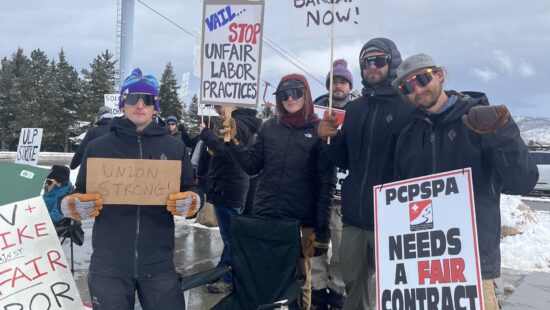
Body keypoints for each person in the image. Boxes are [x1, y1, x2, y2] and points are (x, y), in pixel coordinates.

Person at [391, 54, 539, 310]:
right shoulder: (408, 135)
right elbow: (398, 198)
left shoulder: (477, 120)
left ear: (439, 75)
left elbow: (522, 182)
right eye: (407, 86)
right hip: (421, 266)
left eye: (422, 78)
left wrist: (502, 132)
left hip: (473, 263)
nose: (417, 88)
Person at [61, 68, 200, 310]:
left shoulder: (175, 148)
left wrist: (193, 203)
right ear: (123, 104)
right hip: (109, 264)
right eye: (133, 98)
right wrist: (72, 205)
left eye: (146, 99)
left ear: (154, 105)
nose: (139, 105)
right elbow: (79, 190)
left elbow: (191, 190)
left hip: (158, 262)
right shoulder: (98, 147)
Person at [317, 37, 413, 310]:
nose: (372, 66)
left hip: (392, 218)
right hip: (355, 218)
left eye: (379, 60)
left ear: (392, 62)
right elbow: (345, 160)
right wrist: (330, 139)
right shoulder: (355, 109)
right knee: (352, 283)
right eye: (366, 62)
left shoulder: (406, 107)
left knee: (392, 289)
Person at [227, 73, 336, 309]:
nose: (290, 98)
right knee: (266, 276)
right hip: (267, 215)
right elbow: (252, 165)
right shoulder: (269, 128)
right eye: (284, 94)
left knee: (300, 281)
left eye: (296, 92)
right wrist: (232, 142)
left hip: (300, 222)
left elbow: (326, 183)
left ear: (306, 94)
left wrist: (322, 227)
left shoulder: (320, 131)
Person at [199, 105, 262, 293]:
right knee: (231, 237)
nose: (218, 109)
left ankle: (228, 278)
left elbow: (228, 154)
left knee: (231, 239)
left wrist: (207, 136)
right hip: (232, 186)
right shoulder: (243, 123)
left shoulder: (236, 124)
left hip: (229, 187)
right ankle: (222, 271)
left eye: (219, 105)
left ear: (234, 104)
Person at [311, 58, 357, 309]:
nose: (338, 86)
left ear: (349, 85)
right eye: (334, 82)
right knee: (317, 244)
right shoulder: (317, 107)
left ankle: (337, 288)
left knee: (341, 248)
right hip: (319, 189)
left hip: (343, 191)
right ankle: (317, 286)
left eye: (342, 82)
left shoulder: (358, 109)